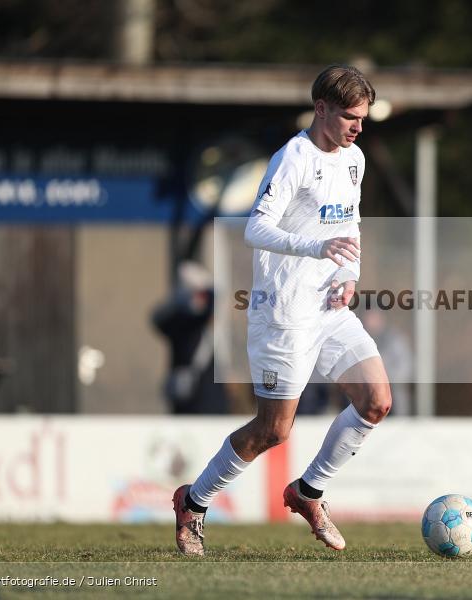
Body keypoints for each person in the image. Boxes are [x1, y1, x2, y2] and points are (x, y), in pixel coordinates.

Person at [172, 65, 392, 554]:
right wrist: (317, 251)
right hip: (283, 312)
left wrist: (347, 275)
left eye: (364, 118)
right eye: (350, 117)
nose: (359, 127)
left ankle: (308, 492)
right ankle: (193, 501)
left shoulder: (354, 158)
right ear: (321, 109)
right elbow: (254, 228)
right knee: (274, 429)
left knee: (376, 401)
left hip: (329, 307)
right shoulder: (293, 157)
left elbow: (349, 222)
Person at [152, 261, 229, 414]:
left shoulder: (177, 322)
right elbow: (213, 300)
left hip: (193, 397)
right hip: (200, 398)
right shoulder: (187, 322)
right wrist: (206, 287)